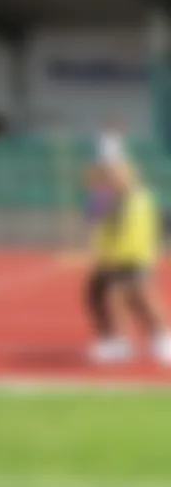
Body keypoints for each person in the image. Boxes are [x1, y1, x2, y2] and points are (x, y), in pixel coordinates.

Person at [84, 155, 171, 364]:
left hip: (132, 258)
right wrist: (98, 190)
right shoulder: (105, 198)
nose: (113, 179)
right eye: (110, 176)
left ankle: (160, 339)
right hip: (109, 259)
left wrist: (122, 256)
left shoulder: (139, 198)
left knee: (133, 296)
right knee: (95, 296)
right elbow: (91, 216)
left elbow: (138, 232)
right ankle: (113, 339)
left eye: (117, 175)